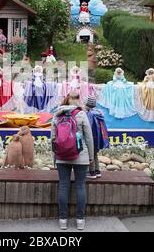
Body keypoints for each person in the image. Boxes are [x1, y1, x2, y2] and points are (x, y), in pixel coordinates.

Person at [51, 92, 94, 231]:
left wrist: (54, 157)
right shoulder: (81, 115)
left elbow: (53, 139)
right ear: (78, 101)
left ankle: (63, 220)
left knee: (64, 186)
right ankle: (80, 220)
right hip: (81, 156)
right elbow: (89, 137)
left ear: (66, 100)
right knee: (80, 186)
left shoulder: (57, 115)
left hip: (61, 157)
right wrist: (91, 156)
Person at [85, 96, 109, 179]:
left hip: (91, 137)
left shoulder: (89, 114)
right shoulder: (99, 113)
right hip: (98, 138)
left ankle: (91, 172)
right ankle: (97, 170)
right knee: (94, 154)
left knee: (90, 154)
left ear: (87, 104)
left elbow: (88, 127)